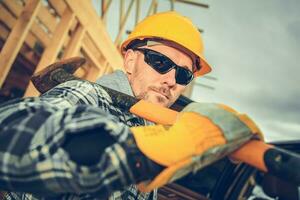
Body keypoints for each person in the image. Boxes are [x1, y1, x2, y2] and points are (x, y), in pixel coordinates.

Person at [0, 11, 260, 199]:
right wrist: (141, 153)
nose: (171, 80)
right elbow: (10, 135)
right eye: (160, 62)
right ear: (130, 61)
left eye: (183, 75)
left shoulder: (148, 128)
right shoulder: (90, 95)